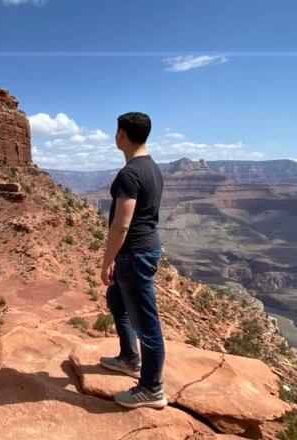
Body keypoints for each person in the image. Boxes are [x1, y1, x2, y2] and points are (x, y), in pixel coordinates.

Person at [98, 112, 166, 409]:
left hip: (134, 253)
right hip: (142, 250)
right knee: (116, 301)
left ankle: (152, 388)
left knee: (146, 325)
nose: (115, 136)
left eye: (116, 131)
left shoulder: (130, 173)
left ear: (122, 135)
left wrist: (106, 261)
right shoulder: (152, 168)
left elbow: (121, 225)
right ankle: (128, 358)